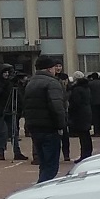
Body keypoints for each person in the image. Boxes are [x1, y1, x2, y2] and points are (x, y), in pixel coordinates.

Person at [20, 55, 67, 183]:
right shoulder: (52, 83)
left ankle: (42, 184)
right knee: (51, 165)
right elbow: (57, 107)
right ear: (49, 68)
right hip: (49, 127)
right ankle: (41, 188)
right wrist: (61, 125)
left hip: (35, 126)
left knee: (44, 163)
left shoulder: (31, 82)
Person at [66, 70, 94, 160]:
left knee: (83, 136)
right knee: (86, 134)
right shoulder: (86, 87)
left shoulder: (77, 89)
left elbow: (75, 103)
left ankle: (84, 155)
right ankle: (87, 153)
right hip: (86, 112)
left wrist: (70, 112)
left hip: (79, 114)